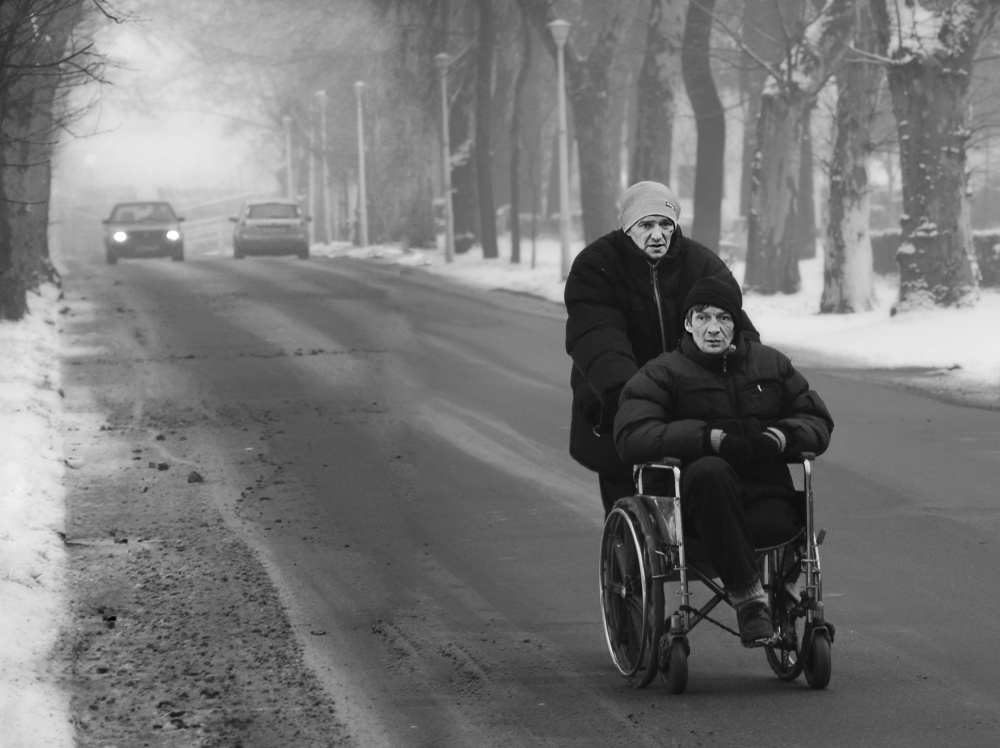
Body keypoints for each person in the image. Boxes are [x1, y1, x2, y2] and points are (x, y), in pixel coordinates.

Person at [613, 275, 834, 645]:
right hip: (698, 510)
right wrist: (705, 439)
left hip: (765, 500)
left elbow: (817, 421)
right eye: (702, 318)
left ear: (737, 322)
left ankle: (785, 596)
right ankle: (750, 601)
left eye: (724, 318)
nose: (713, 329)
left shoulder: (771, 365)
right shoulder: (663, 372)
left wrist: (779, 437)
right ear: (687, 323)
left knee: (783, 519)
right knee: (711, 470)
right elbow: (631, 434)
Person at [564, 180, 759, 517]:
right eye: (647, 225)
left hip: (690, 403)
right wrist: (630, 403)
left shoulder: (703, 266)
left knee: (710, 488)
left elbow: (734, 330)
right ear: (628, 226)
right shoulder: (596, 265)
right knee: (633, 506)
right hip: (617, 406)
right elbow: (599, 339)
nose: (658, 235)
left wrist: (753, 387)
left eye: (666, 224)